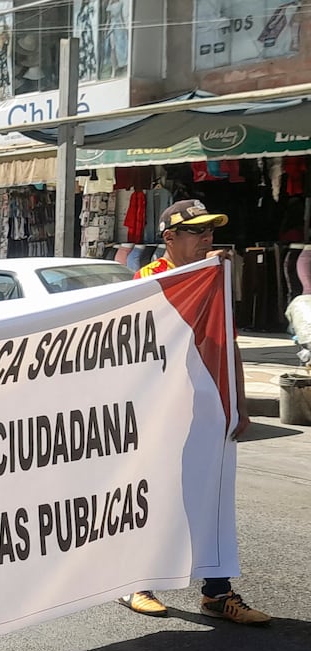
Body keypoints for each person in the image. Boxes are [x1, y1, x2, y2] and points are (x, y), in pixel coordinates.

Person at [116, 199, 270, 625]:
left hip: (208, 406)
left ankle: (218, 593)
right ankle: (136, 580)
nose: (207, 238)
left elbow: (228, 343)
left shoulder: (213, 282)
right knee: (157, 494)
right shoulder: (150, 279)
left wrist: (239, 402)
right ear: (170, 238)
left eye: (209, 231)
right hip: (164, 410)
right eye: (196, 231)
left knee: (213, 497)